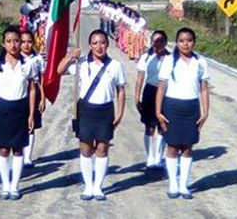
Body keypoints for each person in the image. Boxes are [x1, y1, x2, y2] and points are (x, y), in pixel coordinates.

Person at [57, 29, 126, 201]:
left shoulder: (115, 66)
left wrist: (120, 112)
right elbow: (59, 70)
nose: (99, 46)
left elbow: (121, 90)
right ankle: (88, 186)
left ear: (107, 44)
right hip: (86, 110)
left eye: (102, 42)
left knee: (102, 149)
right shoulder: (81, 63)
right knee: (86, 148)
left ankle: (98, 187)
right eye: (95, 43)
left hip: (105, 110)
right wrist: (70, 56)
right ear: (90, 45)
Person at [156, 27, 210, 200]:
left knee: (187, 147)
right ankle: (173, 183)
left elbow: (203, 88)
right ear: (177, 42)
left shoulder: (200, 62)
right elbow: (161, 87)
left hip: (191, 107)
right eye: (181, 41)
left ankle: (184, 185)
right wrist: (158, 111)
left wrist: (205, 111)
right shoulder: (168, 61)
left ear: (194, 42)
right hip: (172, 106)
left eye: (189, 40)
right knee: (172, 146)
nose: (185, 44)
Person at [0, 26, 36, 200]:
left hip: (20, 108)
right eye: (9, 41)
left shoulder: (28, 64)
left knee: (18, 148)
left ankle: (15, 186)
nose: (14, 45)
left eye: (17, 41)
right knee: (4, 148)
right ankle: (5, 184)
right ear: (3, 43)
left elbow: (31, 90)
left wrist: (31, 114)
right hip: (2, 109)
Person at [134, 30, 170, 169]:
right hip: (150, 91)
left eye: (160, 40)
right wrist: (137, 98)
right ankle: (150, 157)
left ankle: (158, 157)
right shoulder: (145, 57)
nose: (157, 44)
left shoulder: (170, 58)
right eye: (154, 40)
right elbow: (139, 79)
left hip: (166, 93)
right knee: (149, 126)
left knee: (163, 126)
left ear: (165, 43)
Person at [20, 31, 46, 168]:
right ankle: (18, 154)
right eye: (23, 41)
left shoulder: (37, 59)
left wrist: (42, 97)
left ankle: (27, 157)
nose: (26, 45)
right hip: (19, 91)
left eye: (29, 41)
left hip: (34, 91)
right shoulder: (15, 58)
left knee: (31, 125)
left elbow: (41, 80)